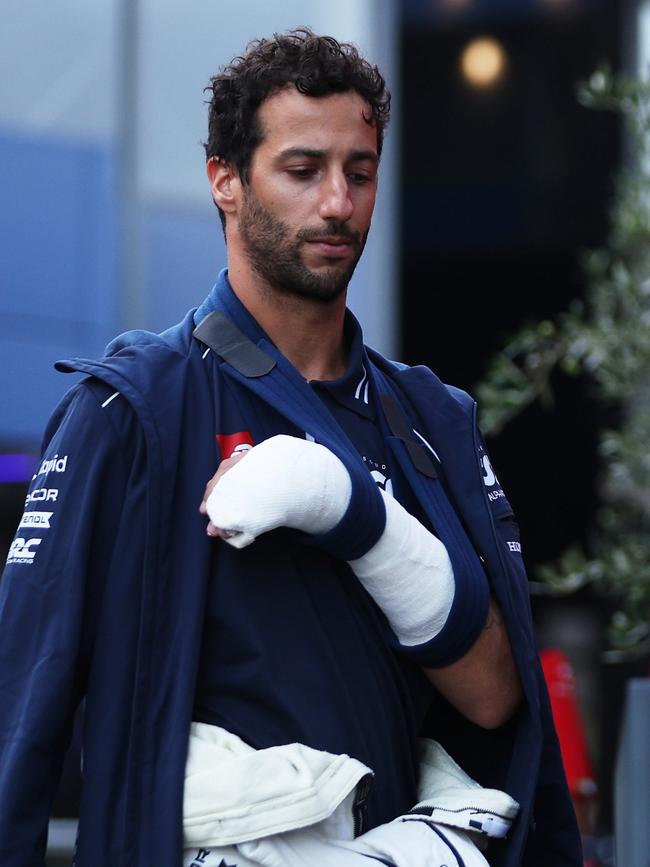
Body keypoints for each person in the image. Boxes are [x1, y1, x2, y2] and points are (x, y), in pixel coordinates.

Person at [0, 28, 581, 867]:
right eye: (303, 170)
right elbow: (22, 710)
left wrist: (360, 519)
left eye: (361, 171)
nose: (338, 203)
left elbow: (495, 699)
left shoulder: (430, 420)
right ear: (226, 183)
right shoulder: (132, 409)